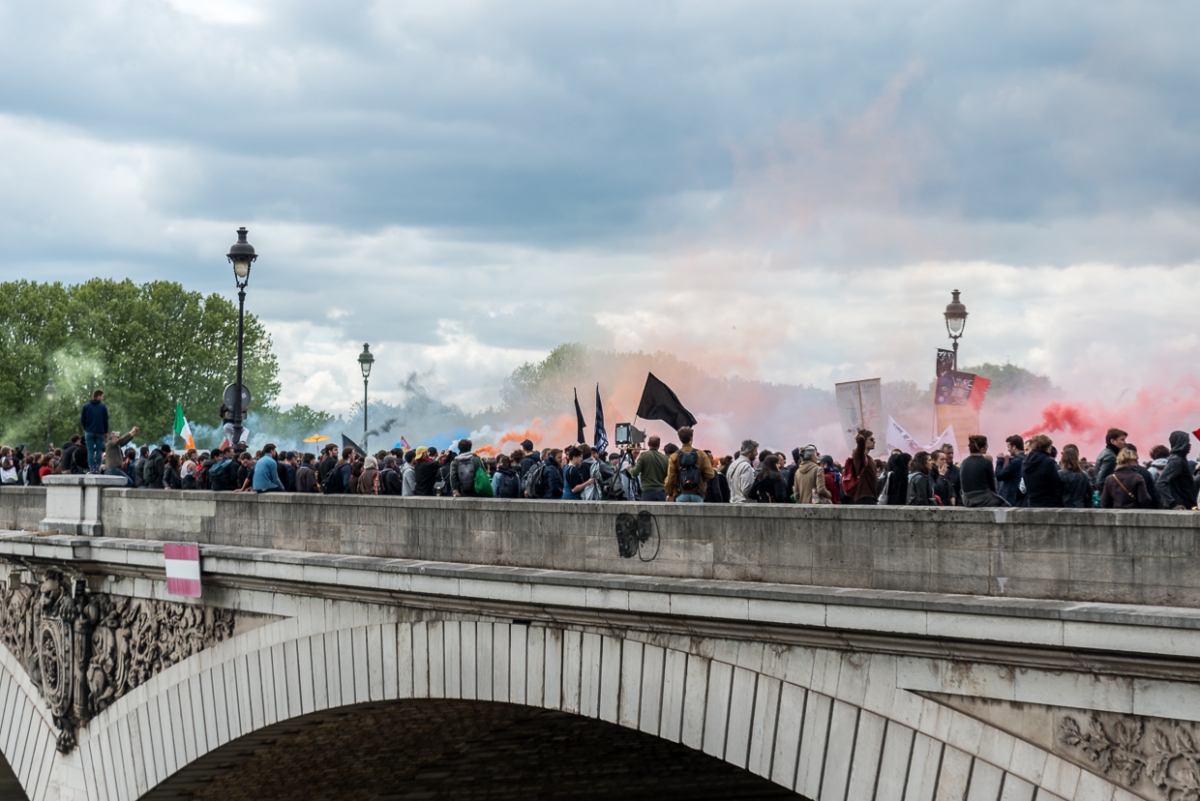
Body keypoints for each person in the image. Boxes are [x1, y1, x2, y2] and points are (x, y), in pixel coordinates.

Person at [665, 426, 715, 503]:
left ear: (680, 438)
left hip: (681, 493)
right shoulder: (701, 454)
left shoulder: (674, 456)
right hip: (697, 493)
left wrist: (670, 493)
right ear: (691, 438)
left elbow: (670, 478)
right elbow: (710, 474)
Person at [1156, 431, 1198, 510]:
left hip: (1186, 505)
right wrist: (1173, 503)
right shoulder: (1176, 460)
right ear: (1181, 443)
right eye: (1187, 442)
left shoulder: (1180, 459)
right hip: (1182, 506)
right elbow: (1161, 483)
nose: (1189, 445)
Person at [960, 434, 1006, 507]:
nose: (987, 447)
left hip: (966, 500)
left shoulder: (964, 462)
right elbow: (992, 486)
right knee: (1006, 506)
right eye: (986, 445)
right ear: (982, 449)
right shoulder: (986, 462)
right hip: (982, 499)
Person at [1022, 434, 1063, 508]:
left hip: (1032, 503)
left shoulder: (1025, 463)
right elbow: (1057, 483)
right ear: (1047, 448)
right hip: (1049, 504)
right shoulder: (1048, 462)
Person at [627, 436, 670, 502]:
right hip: (662, 492)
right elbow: (668, 476)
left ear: (648, 444)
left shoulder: (643, 456)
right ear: (659, 445)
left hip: (648, 492)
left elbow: (634, 473)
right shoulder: (665, 458)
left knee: (647, 512)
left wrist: (628, 468)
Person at [843, 430, 879, 505]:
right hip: (864, 498)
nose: (874, 442)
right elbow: (861, 440)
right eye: (871, 439)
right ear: (864, 441)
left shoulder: (869, 458)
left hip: (870, 497)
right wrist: (859, 437)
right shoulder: (859, 457)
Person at [79, 389, 109, 473]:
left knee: (90, 450)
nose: (103, 398)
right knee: (99, 449)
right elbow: (105, 420)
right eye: (102, 396)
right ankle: (98, 467)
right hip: (100, 431)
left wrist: (86, 428)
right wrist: (106, 432)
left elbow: (82, 419)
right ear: (98, 396)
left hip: (89, 431)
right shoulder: (103, 407)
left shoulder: (86, 406)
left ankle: (91, 467)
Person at [1093, 428, 1128, 493]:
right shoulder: (1111, 457)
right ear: (1112, 441)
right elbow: (1101, 482)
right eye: (1122, 440)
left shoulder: (1105, 452)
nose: (1125, 442)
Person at [994, 435, 1025, 506]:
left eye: (1008, 446)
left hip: (1011, 498)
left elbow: (999, 475)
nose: (1008, 450)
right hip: (1020, 499)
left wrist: (1000, 460)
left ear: (1014, 447)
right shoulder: (1026, 459)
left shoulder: (1016, 461)